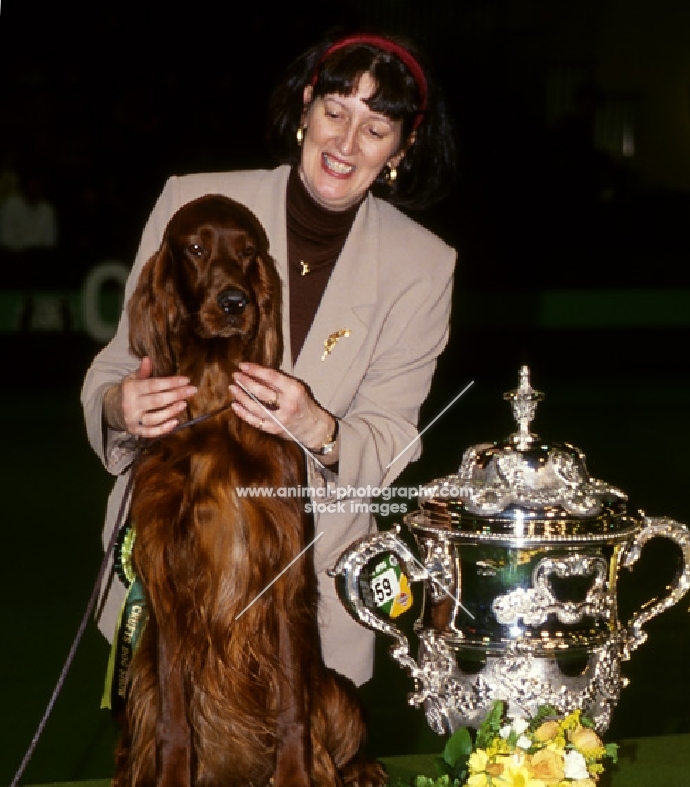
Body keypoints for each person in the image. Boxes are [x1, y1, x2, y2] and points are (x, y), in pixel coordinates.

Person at [82, 31, 457, 686]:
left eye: (375, 128)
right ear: (307, 106)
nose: (345, 143)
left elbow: (395, 435)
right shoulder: (189, 200)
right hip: (172, 566)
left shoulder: (424, 265)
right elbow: (119, 363)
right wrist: (121, 403)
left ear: (403, 146)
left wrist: (322, 429)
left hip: (305, 590)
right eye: (335, 112)